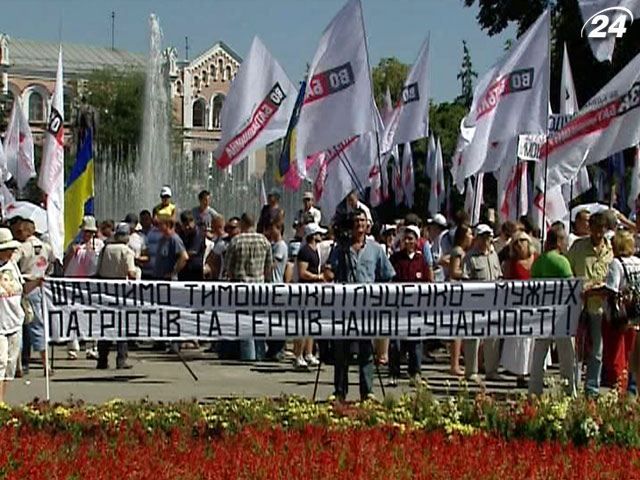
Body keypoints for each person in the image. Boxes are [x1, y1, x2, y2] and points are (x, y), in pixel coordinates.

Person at [325, 209, 395, 401]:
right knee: (341, 351)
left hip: (366, 308)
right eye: (355, 221)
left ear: (367, 225)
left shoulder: (376, 250)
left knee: (366, 350)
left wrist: (380, 297)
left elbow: (387, 275)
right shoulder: (340, 248)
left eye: (362, 221)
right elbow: (330, 272)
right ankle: (340, 390)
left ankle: (367, 391)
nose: (359, 224)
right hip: (344, 307)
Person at [567, 212, 613, 396]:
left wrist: (601, 286)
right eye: (595, 229)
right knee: (576, 347)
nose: (598, 234)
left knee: (597, 349)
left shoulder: (610, 251)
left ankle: (592, 388)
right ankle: (573, 386)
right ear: (590, 228)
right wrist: (580, 286)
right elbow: (567, 270)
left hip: (599, 306)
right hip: (579, 303)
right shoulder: (578, 247)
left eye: (601, 230)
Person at [528, 225, 577, 397]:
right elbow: (572, 286)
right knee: (566, 355)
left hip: (542, 313)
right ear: (558, 241)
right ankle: (569, 390)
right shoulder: (561, 261)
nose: (566, 244)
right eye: (564, 240)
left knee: (539, 352)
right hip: (561, 314)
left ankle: (534, 390)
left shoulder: (539, 260)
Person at [0, 228, 42, 403]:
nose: (10, 253)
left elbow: (23, 289)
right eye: (6, 250)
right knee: (0, 363)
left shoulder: (13, 266)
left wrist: (38, 282)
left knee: (10, 366)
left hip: (15, 322)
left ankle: (2, 402)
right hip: (0, 324)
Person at [225, 213, 273, 361]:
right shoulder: (264, 241)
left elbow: (228, 266)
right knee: (258, 321)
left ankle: (248, 356)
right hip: (259, 287)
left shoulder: (236, 241)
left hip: (241, 287)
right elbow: (269, 267)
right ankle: (260, 354)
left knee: (245, 322)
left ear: (242, 224)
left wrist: (233, 277)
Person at [389, 225, 431, 386]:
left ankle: (415, 372)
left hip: (416, 307)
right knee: (395, 343)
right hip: (398, 306)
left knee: (415, 342)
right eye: (405, 238)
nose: (407, 241)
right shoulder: (396, 258)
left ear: (416, 241)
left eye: (411, 238)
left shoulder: (421, 260)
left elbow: (427, 282)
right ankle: (394, 372)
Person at [13, 218, 55, 376]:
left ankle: (19, 365)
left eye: (19, 231)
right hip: (41, 286)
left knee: (19, 326)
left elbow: (12, 264)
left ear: (26, 231)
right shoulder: (46, 247)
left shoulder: (21, 248)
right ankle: (46, 365)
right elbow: (53, 263)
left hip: (25, 286)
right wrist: (45, 274)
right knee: (38, 325)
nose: (18, 234)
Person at [462, 224, 503, 384]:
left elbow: (499, 275)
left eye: (489, 237)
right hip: (475, 303)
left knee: (493, 337)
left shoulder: (494, 256)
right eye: (484, 237)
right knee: (473, 338)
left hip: (493, 303)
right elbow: (464, 280)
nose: (487, 240)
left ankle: (491, 370)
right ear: (477, 238)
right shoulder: (470, 257)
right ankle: (471, 371)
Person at [95, 223, 139, 370]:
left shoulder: (105, 249)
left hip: (106, 289)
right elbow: (131, 274)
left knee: (105, 325)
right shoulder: (127, 251)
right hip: (121, 290)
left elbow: (98, 270)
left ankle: (102, 359)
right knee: (122, 326)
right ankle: (121, 359)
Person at [602, 230, 640, 390]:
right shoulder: (638, 261)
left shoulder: (616, 264)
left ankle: (619, 386)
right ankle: (632, 386)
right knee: (633, 352)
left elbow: (612, 289)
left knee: (617, 353)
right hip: (635, 312)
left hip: (620, 314)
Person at [500, 231, 538, 388]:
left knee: (534, 342)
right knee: (520, 342)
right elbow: (507, 282)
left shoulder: (537, 259)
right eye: (516, 243)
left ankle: (535, 372)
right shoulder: (512, 263)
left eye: (522, 241)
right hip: (519, 309)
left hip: (536, 307)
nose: (519, 245)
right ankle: (521, 375)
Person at [63, 215, 103, 360]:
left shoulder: (99, 245)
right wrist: (70, 254)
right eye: (86, 231)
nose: (88, 234)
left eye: (90, 232)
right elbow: (65, 264)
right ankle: (72, 348)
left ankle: (92, 348)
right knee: (72, 315)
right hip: (73, 282)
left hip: (91, 283)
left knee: (92, 315)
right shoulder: (74, 244)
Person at [293, 223, 327, 369]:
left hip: (314, 291)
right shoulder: (305, 251)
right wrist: (319, 277)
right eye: (318, 233)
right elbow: (302, 272)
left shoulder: (315, 251)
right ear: (313, 236)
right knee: (302, 324)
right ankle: (298, 355)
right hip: (305, 291)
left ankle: (309, 353)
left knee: (313, 323)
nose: (321, 235)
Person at [447, 224, 474, 376]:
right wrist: (467, 273)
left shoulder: (464, 252)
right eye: (469, 234)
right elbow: (453, 271)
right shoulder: (458, 251)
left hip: (461, 291)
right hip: (456, 290)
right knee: (457, 330)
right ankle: (454, 364)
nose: (472, 237)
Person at [264, 215, 288, 361]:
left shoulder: (280, 246)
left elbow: (272, 265)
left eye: (271, 228)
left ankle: (278, 348)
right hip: (269, 286)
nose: (269, 231)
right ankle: (272, 348)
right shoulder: (272, 245)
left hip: (276, 285)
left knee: (276, 319)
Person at [153, 215, 188, 280]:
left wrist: (173, 273)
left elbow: (184, 257)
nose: (158, 227)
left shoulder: (174, 239)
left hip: (168, 280)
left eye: (161, 224)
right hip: (158, 277)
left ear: (168, 225)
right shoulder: (162, 239)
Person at [177, 211, 206, 281]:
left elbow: (193, 252)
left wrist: (179, 255)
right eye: (184, 225)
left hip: (195, 271)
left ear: (193, 222)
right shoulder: (181, 233)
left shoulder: (198, 233)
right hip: (183, 270)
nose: (187, 227)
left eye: (189, 224)